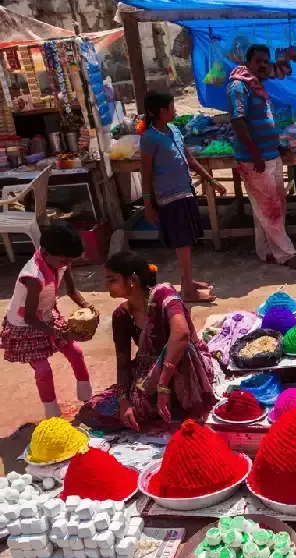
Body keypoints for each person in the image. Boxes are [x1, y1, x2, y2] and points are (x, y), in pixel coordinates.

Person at [78, 251, 217, 431]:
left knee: (181, 356)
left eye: (112, 280)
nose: (106, 286)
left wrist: (162, 386)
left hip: (182, 366)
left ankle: (176, 403)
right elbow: (123, 362)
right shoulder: (121, 315)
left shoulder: (163, 294)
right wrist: (124, 401)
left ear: (133, 280)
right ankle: (159, 406)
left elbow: (181, 334)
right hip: (151, 373)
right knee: (95, 411)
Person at [141, 90, 227, 303]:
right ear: (159, 112)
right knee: (183, 243)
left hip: (185, 192)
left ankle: (187, 281)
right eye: (171, 108)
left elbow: (189, 158)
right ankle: (187, 290)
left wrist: (211, 180)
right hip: (169, 197)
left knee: (188, 240)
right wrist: (148, 204)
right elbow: (146, 173)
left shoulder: (174, 130)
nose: (175, 111)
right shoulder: (150, 138)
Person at [1, 223, 93, 418]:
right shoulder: (33, 277)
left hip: (47, 316)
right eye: (64, 260)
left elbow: (72, 290)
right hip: (25, 325)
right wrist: (59, 332)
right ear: (45, 253)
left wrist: (87, 306)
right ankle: (53, 415)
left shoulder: (62, 261)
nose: (66, 264)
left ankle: (88, 400)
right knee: (43, 369)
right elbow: (29, 318)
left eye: (70, 261)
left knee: (76, 353)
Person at [228, 44, 296, 270]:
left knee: (271, 206)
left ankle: (266, 251)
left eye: (266, 61)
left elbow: (263, 119)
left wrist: (277, 146)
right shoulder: (238, 86)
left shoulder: (256, 85)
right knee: (270, 207)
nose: (263, 65)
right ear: (248, 63)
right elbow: (238, 121)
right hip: (255, 160)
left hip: (270, 155)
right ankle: (286, 254)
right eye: (258, 61)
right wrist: (255, 154)